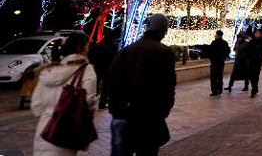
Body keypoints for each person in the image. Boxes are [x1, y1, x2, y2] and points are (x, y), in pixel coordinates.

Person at [108, 13, 176, 156]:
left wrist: (117, 111)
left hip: (127, 113)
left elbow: (114, 83)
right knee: (147, 151)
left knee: (125, 150)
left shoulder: (126, 51)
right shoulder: (165, 52)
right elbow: (168, 86)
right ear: (163, 31)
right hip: (152, 115)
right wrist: (164, 110)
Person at [32, 33, 98, 156]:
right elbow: (89, 102)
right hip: (66, 134)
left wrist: (49, 115)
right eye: (87, 46)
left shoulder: (48, 70)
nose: (88, 49)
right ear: (80, 48)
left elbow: (36, 107)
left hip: (44, 133)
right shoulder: (86, 70)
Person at [89, 34, 118, 110]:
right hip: (108, 68)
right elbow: (114, 58)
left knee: (95, 85)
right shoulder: (113, 47)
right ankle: (102, 104)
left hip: (98, 67)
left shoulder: (98, 45)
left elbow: (93, 58)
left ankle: (92, 102)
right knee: (106, 88)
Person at [245, 30, 262, 98]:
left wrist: (260, 55)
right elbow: (247, 49)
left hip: (257, 61)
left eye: (257, 33)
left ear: (261, 34)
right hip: (251, 60)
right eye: (255, 33)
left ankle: (254, 90)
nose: (256, 34)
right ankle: (255, 88)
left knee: (255, 75)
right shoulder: (252, 41)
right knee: (250, 75)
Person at [208, 30, 231, 96]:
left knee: (214, 77)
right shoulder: (224, 43)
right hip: (220, 62)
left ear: (218, 35)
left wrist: (212, 59)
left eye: (216, 34)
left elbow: (210, 52)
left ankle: (215, 91)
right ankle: (219, 90)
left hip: (215, 62)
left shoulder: (214, 43)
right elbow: (227, 51)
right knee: (219, 76)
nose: (215, 36)